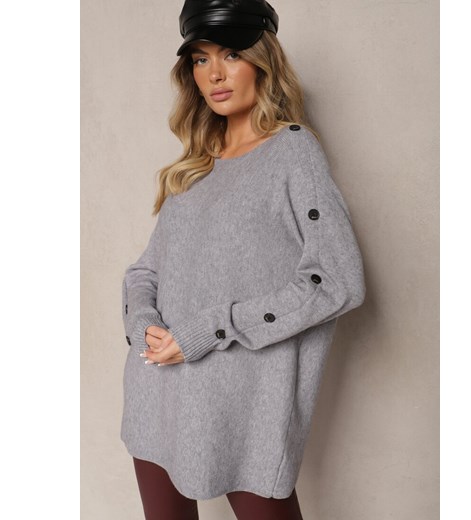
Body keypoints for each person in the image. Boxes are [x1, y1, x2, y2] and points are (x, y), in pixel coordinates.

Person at [120, 0, 366, 518]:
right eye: (200, 59)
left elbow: (337, 280)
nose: (214, 74)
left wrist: (209, 330)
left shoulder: (292, 152)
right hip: (157, 392)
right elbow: (146, 271)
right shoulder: (196, 164)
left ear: (262, 61)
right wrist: (143, 325)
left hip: (244, 407)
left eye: (231, 54)